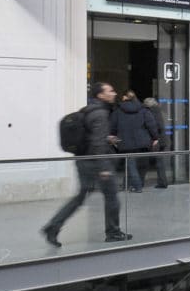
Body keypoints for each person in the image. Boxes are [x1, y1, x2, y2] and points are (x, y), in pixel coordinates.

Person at [42, 82, 129, 246]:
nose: (114, 93)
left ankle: (53, 226)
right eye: (110, 91)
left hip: (82, 160)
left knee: (80, 197)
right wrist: (104, 168)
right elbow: (97, 143)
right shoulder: (101, 113)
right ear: (100, 95)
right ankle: (113, 232)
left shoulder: (87, 110)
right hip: (97, 162)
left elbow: (90, 136)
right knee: (112, 197)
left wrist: (106, 138)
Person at [112, 90, 162, 191]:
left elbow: (113, 127)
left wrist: (114, 138)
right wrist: (155, 138)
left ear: (124, 98)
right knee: (141, 165)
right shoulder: (144, 110)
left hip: (126, 142)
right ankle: (136, 184)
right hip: (143, 142)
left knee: (131, 165)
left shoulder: (117, 111)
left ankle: (136, 186)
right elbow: (151, 125)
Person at [143, 96, 172, 187]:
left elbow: (157, 126)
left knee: (156, 162)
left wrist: (155, 138)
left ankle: (162, 182)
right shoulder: (158, 110)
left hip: (158, 140)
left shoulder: (152, 112)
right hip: (162, 140)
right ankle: (162, 182)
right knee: (159, 162)